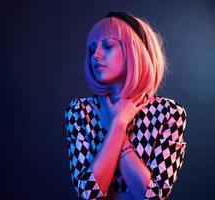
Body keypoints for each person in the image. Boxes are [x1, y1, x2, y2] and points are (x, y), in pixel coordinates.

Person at [64, 11, 188, 200]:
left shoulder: (168, 114)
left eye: (107, 46)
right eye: (91, 49)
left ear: (134, 51)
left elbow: (153, 196)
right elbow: (89, 194)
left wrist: (116, 125)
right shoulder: (81, 112)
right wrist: (119, 125)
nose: (95, 56)